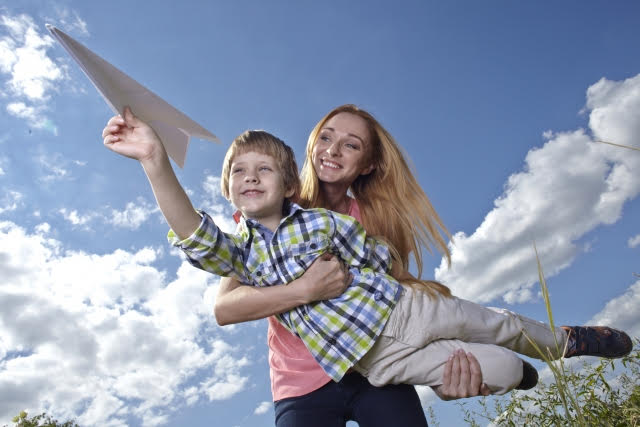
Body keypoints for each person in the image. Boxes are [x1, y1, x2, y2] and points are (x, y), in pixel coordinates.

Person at [103, 109, 631, 413]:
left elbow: (373, 256)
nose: (332, 150)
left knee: (498, 323)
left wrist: (384, 275)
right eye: (326, 137)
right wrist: (154, 161)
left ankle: (563, 343)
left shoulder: (332, 221)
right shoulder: (245, 243)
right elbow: (198, 241)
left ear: (368, 162)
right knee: (499, 366)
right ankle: (522, 373)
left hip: (404, 313)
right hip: (367, 363)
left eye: (350, 145)